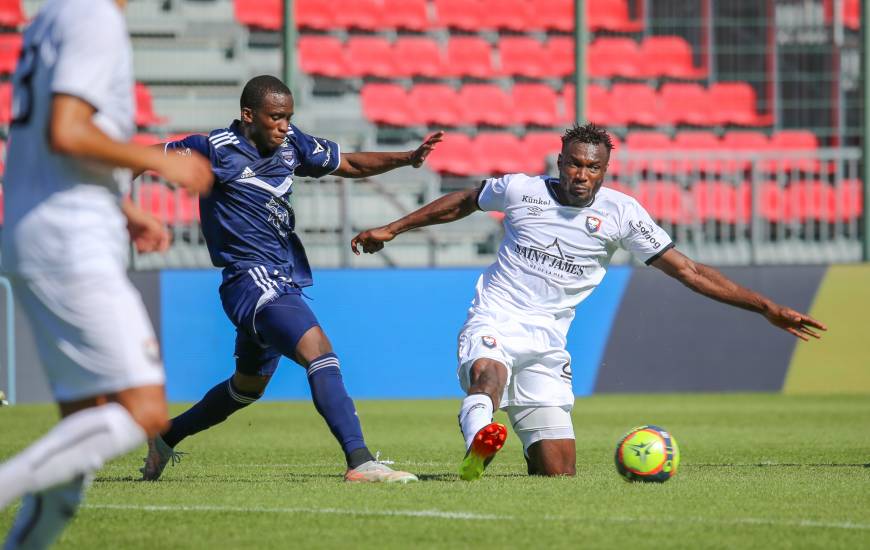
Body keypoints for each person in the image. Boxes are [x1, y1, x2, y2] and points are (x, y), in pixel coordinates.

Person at [351, 123, 826, 480]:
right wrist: (392, 228)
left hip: (548, 342)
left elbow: (690, 271)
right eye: (574, 163)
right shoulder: (521, 189)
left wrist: (766, 307)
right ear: (559, 162)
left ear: (604, 170)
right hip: (496, 314)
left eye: (592, 167)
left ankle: (507, 446)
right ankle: (480, 438)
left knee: (558, 474)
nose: (581, 174)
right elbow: (462, 202)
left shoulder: (622, 214)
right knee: (487, 374)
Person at [139, 75, 443, 484]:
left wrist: (406, 158)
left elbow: (348, 163)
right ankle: (360, 461)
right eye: (276, 117)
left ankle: (167, 434)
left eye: (289, 117)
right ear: (249, 116)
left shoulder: (291, 143)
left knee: (248, 387)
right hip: (250, 277)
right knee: (318, 349)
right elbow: (142, 157)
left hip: (279, 278)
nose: (284, 126)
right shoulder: (213, 149)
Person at [0, 0, 214, 547]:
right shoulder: (93, 16)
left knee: (80, 441)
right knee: (141, 413)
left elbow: (49, 146)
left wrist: (126, 211)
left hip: (42, 229)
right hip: (69, 241)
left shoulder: (51, 17)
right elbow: (66, 132)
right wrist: (164, 163)